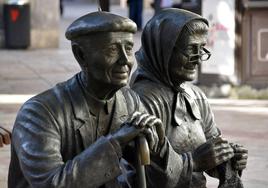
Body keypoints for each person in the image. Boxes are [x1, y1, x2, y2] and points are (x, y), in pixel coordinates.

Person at [8, 11, 164, 188]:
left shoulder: (129, 101)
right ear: (81, 55)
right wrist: (116, 143)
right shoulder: (39, 113)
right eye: (112, 49)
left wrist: (158, 149)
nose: (125, 60)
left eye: (128, 48)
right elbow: (51, 183)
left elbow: (154, 175)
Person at [131, 8, 248, 187]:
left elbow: (210, 149)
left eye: (201, 49)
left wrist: (227, 158)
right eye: (191, 49)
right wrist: (193, 162)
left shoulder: (196, 96)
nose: (198, 59)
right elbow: (144, 172)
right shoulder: (140, 100)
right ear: (164, 49)